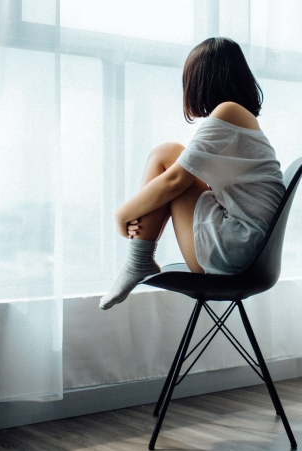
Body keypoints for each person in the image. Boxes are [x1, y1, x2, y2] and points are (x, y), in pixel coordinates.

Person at [99, 37, 285, 310]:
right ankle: (139, 260)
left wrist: (122, 213)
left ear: (201, 80)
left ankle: (138, 260)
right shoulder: (241, 118)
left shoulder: (228, 112)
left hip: (235, 253)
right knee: (170, 154)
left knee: (166, 156)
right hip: (248, 251)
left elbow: (175, 181)